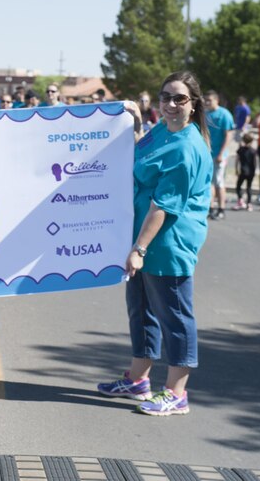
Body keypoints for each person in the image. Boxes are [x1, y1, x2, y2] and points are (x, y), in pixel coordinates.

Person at [98, 70, 212, 416]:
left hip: (166, 243)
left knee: (174, 315)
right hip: (141, 237)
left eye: (180, 99)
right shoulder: (163, 130)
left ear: (194, 105)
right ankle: (138, 379)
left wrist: (139, 249)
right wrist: (135, 124)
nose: (172, 104)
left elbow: (163, 206)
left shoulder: (186, 147)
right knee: (141, 308)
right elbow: (138, 154)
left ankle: (177, 392)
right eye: (166, 97)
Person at [203, 91, 234, 219]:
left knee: (219, 182)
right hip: (207, 154)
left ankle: (221, 209)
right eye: (206, 100)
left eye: (209, 100)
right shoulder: (205, 114)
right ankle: (211, 208)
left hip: (219, 154)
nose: (207, 102)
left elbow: (229, 135)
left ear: (217, 100)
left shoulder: (224, 114)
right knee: (208, 183)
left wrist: (221, 153)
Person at [234, 132, 257, 211]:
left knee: (238, 186)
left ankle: (240, 200)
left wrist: (236, 169)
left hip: (243, 170)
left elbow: (237, 160)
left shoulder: (240, 150)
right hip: (251, 171)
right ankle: (249, 204)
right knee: (249, 187)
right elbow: (255, 162)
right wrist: (255, 171)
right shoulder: (253, 151)